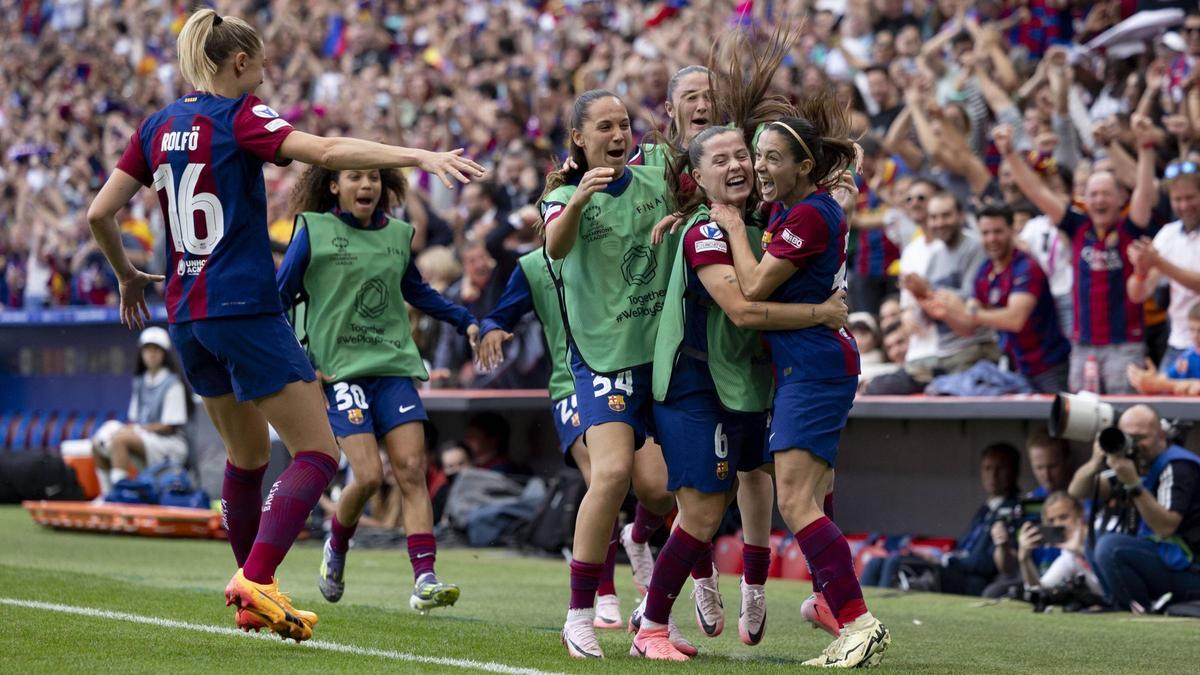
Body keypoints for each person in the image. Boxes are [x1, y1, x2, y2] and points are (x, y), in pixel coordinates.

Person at [85, 8, 483, 641]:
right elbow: (322, 151)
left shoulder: (156, 125)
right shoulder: (237, 113)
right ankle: (257, 579)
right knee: (320, 454)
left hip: (187, 313)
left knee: (245, 457)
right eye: (263, 64)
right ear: (238, 63)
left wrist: (129, 275)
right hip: (243, 305)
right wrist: (420, 155)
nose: (266, 76)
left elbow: (99, 213)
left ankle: (251, 597)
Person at [631, 126, 850, 660]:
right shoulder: (706, 231)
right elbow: (745, 309)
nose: (737, 166)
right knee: (703, 514)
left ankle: (810, 594)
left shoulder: (762, 219)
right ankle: (651, 626)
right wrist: (821, 313)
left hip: (746, 385)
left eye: (743, 156)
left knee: (805, 477)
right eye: (721, 160)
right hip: (696, 387)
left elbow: (817, 205)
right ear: (698, 177)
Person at [711, 94, 890, 668]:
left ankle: (859, 621)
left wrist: (733, 226)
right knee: (811, 495)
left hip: (813, 366)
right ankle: (833, 605)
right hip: (814, 363)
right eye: (756, 156)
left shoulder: (809, 214)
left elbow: (755, 287)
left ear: (803, 166)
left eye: (771, 158)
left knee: (793, 499)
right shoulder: (806, 208)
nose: (760, 167)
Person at [276, 164, 480, 612]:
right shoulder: (314, 230)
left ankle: (424, 577)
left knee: (411, 468)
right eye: (354, 176)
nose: (365, 184)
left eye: (373, 177)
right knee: (367, 476)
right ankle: (338, 544)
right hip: (340, 372)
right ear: (334, 185)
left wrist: (467, 321)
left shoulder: (398, 235)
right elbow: (280, 298)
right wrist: (303, 362)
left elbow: (419, 292)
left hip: (392, 368)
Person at [540, 89, 678, 660]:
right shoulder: (563, 196)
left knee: (663, 490)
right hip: (602, 359)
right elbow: (555, 243)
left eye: (624, 125)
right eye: (604, 126)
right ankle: (579, 615)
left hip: (663, 358)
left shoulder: (656, 179)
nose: (618, 134)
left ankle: (644, 557)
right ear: (579, 137)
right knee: (614, 472)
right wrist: (577, 204)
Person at [994, 117, 1157, 394]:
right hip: (1083, 346)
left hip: (1124, 344)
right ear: (1085, 199)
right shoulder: (1077, 226)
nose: (1099, 200)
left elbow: (1145, 191)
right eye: (1093, 194)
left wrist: (1145, 148)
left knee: (1121, 418)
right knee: (1082, 421)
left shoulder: (1130, 228)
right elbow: (1036, 191)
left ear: (1120, 199)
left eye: (1106, 194)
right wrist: (1009, 153)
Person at [928, 203, 1071, 393]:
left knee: (1058, 420)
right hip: (1017, 367)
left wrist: (966, 311)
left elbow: (1015, 319)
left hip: (1050, 367)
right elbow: (968, 327)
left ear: (1012, 231)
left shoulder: (1027, 267)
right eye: (985, 233)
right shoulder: (985, 270)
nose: (991, 239)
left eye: (998, 232)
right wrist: (946, 313)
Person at [1081, 405, 1200, 611]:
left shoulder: (1178, 465)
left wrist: (1134, 485)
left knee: (1111, 547)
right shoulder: (1133, 463)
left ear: (1161, 436)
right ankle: (1117, 604)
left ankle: (1138, 609)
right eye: (1128, 438)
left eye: (1141, 437)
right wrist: (1094, 462)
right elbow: (1078, 491)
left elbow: (1165, 528)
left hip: (1192, 571)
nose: (1135, 445)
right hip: (1170, 561)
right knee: (1093, 543)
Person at [91, 326, 192, 493]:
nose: (151, 354)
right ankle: (107, 494)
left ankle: (120, 495)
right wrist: (130, 430)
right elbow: (135, 419)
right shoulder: (140, 381)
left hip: (170, 444)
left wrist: (135, 430)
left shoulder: (173, 383)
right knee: (98, 441)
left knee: (120, 440)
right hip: (145, 437)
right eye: (147, 349)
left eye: (156, 350)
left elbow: (169, 426)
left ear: (164, 354)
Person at [1126, 158, 1200, 369]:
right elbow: (1137, 294)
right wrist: (1140, 270)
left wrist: (1158, 262)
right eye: (1178, 199)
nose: (1184, 206)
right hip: (1178, 343)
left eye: (1190, 197)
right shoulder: (1168, 234)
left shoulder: (1163, 251)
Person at [1015, 492, 1104, 599]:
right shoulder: (1069, 555)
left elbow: (1114, 583)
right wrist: (1024, 559)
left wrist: (1082, 552)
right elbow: (1039, 589)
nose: (1057, 525)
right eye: (1051, 521)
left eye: (1063, 517)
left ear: (1081, 513)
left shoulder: (1101, 529)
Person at [1127, 302, 1200, 395]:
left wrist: (1160, 384)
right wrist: (1146, 381)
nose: (1195, 336)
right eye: (1192, 329)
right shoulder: (1187, 357)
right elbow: (1162, 380)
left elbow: (1195, 388)